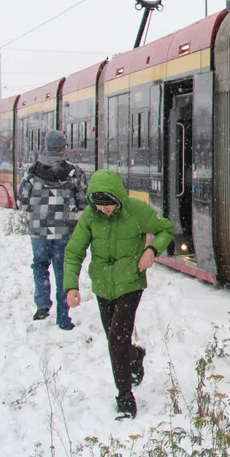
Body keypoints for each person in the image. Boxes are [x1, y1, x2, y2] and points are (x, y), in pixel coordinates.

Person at [63, 169, 174, 420]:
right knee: (118, 342)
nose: (105, 210)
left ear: (118, 199)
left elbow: (166, 229)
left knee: (116, 340)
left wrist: (152, 250)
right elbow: (73, 252)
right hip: (103, 285)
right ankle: (135, 356)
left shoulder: (136, 211)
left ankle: (124, 396)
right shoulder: (90, 217)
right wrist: (71, 286)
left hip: (130, 284)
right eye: (100, 206)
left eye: (109, 205)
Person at [17, 130, 88, 330]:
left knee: (40, 265)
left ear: (46, 147)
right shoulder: (74, 172)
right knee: (63, 271)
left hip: (39, 231)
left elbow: (21, 202)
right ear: (63, 148)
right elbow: (84, 203)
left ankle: (42, 305)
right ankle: (64, 318)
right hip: (65, 232)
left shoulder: (31, 172)